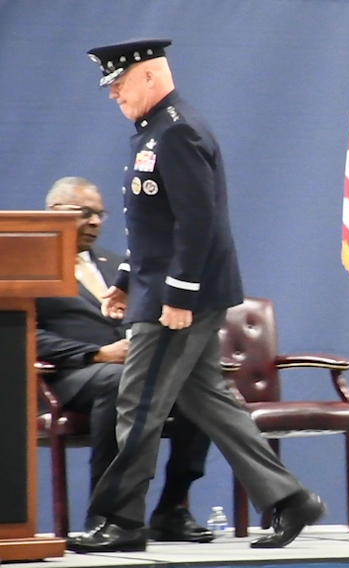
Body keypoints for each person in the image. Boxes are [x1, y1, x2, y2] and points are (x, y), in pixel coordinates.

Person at [66, 39, 323, 553]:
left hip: (176, 301)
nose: (114, 94)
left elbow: (199, 223)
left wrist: (178, 297)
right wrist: (122, 283)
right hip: (164, 292)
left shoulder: (177, 132)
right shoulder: (155, 131)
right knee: (209, 400)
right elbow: (154, 230)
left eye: (119, 83)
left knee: (137, 405)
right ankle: (290, 498)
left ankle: (123, 521)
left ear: (147, 75)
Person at [37, 176, 215, 542]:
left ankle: (172, 509)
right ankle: (106, 516)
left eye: (100, 215)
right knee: (119, 385)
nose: (95, 222)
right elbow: (23, 335)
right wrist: (96, 353)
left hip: (132, 366)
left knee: (195, 388)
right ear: (54, 213)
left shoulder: (117, 264)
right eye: (85, 213)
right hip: (65, 376)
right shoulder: (27, 267)